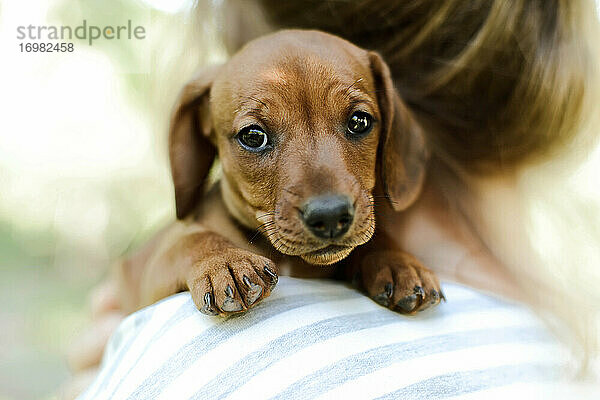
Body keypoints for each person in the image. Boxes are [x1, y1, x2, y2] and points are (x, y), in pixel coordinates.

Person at [63, 1, 600, 398]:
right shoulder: (573, 362)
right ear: (200, 134)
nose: (327, 203)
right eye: (256, 137)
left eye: (358, 123)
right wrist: (200, 255)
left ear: (392, 130)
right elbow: (161, 257)